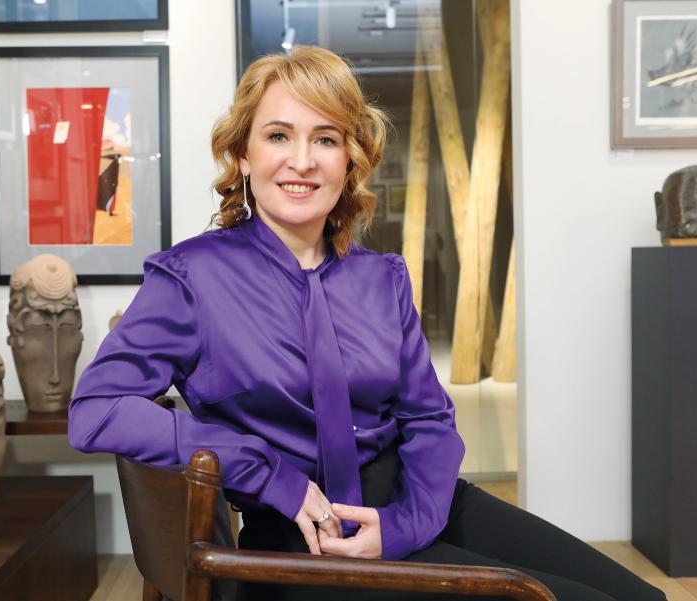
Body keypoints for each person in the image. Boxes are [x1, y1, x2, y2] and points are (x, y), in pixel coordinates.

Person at [67, 45, 666, 601]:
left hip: (417, 503)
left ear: (349, 159)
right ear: (244, 154)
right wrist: (263, 469)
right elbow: (97, 409)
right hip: (299, 539)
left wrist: (407, 523)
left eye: (325, 139)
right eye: (278, 135)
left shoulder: (383, 278)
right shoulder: (190, 278)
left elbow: (429, 419)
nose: (302, 161)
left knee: (645, 598)